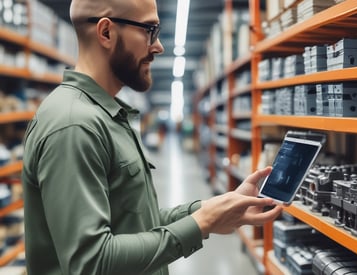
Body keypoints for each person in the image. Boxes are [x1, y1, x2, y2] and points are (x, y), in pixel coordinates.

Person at [21, 0, 283, 274]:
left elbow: (133, 223)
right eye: (150, 30)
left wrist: (212, 209)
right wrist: (201, 223)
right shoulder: (74, 124)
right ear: (106, 33)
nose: (158, 46)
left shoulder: (106, 116)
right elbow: (92, 263)